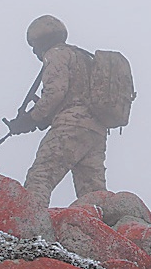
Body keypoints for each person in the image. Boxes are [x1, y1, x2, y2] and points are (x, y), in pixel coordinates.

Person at [7, 15, 109, 205]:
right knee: (93, 193)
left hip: (70, 125)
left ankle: (32, 224)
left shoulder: (56, 54)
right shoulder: (84, 57)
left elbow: (55, 92)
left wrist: (31, 118)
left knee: (40, 177)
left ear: (40, 41)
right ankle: (104, 228)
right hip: (96, 130)